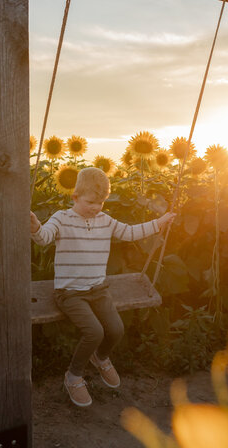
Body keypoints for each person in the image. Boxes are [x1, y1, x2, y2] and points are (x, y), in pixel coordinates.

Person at [30, 167, 175, 408]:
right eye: (90, 202)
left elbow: (129, 232)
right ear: (75, 197)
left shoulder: (105, 221)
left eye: (101, 203)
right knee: (94, 332)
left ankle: (101, 357)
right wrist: (35, 226)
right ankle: (74, 377)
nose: (96, 208)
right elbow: (44, 237)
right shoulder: (61, 218)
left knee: (116, 329)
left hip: (98, 289)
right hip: (70, 293)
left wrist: (158, 223)